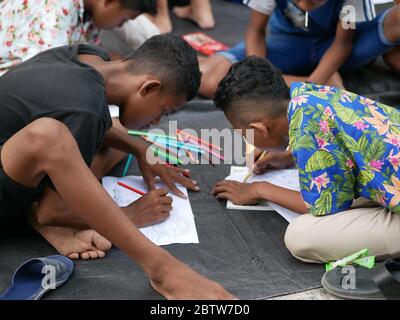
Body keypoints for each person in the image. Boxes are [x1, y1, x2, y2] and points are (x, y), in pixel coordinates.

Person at [0, 34, 234, 299]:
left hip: (11, 157)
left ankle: (51, 210)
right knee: (49, 137)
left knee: (115, 147)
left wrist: (141, 149)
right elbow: (50, 212)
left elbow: (89, 118)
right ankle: (164, 270)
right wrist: (130, 214)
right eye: (164, 112)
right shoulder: (85, 106)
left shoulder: (86, 56)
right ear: (148, 88)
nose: (156, 121)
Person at [212, 57, 400, 263]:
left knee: (301, 236)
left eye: (243, 133)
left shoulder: (307, 126)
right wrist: (292, 155)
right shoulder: (307, 94)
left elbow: (321, 206)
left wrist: (258, 190)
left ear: (259, 128)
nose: (246, 139)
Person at [199, 0, 400, 98]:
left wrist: (312, 84)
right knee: (208, 80)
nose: (304, 4)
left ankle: (319, 82)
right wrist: (260, 78)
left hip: (338, 47)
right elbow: (255, 32)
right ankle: (324, 83)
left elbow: (342, 44)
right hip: (288, 45)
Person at [0, 0, 157, 76]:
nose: (120, 26)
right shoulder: (54, 11)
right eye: (124, 19)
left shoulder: (91, 17)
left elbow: (94, 58)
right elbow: (45, 74)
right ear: (109, 2)